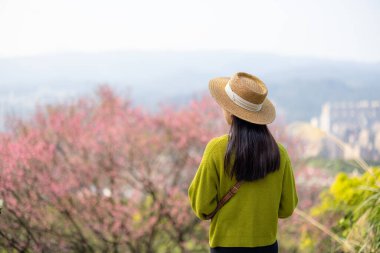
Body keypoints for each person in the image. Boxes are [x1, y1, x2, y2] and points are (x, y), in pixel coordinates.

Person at [188, 72, 298, 253]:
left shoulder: (216, 149)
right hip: (267, 247)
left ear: (231, 111)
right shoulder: (280, 153)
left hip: (225, 248)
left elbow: (202, 206)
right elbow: (286, 209)